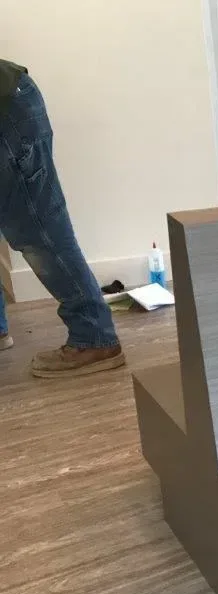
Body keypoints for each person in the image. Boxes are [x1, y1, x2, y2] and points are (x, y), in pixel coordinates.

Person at [0, 59, 124, 377]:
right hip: (10, 100)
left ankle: (94, 338)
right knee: (39, 225)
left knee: (39, 230)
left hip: (5, 110)